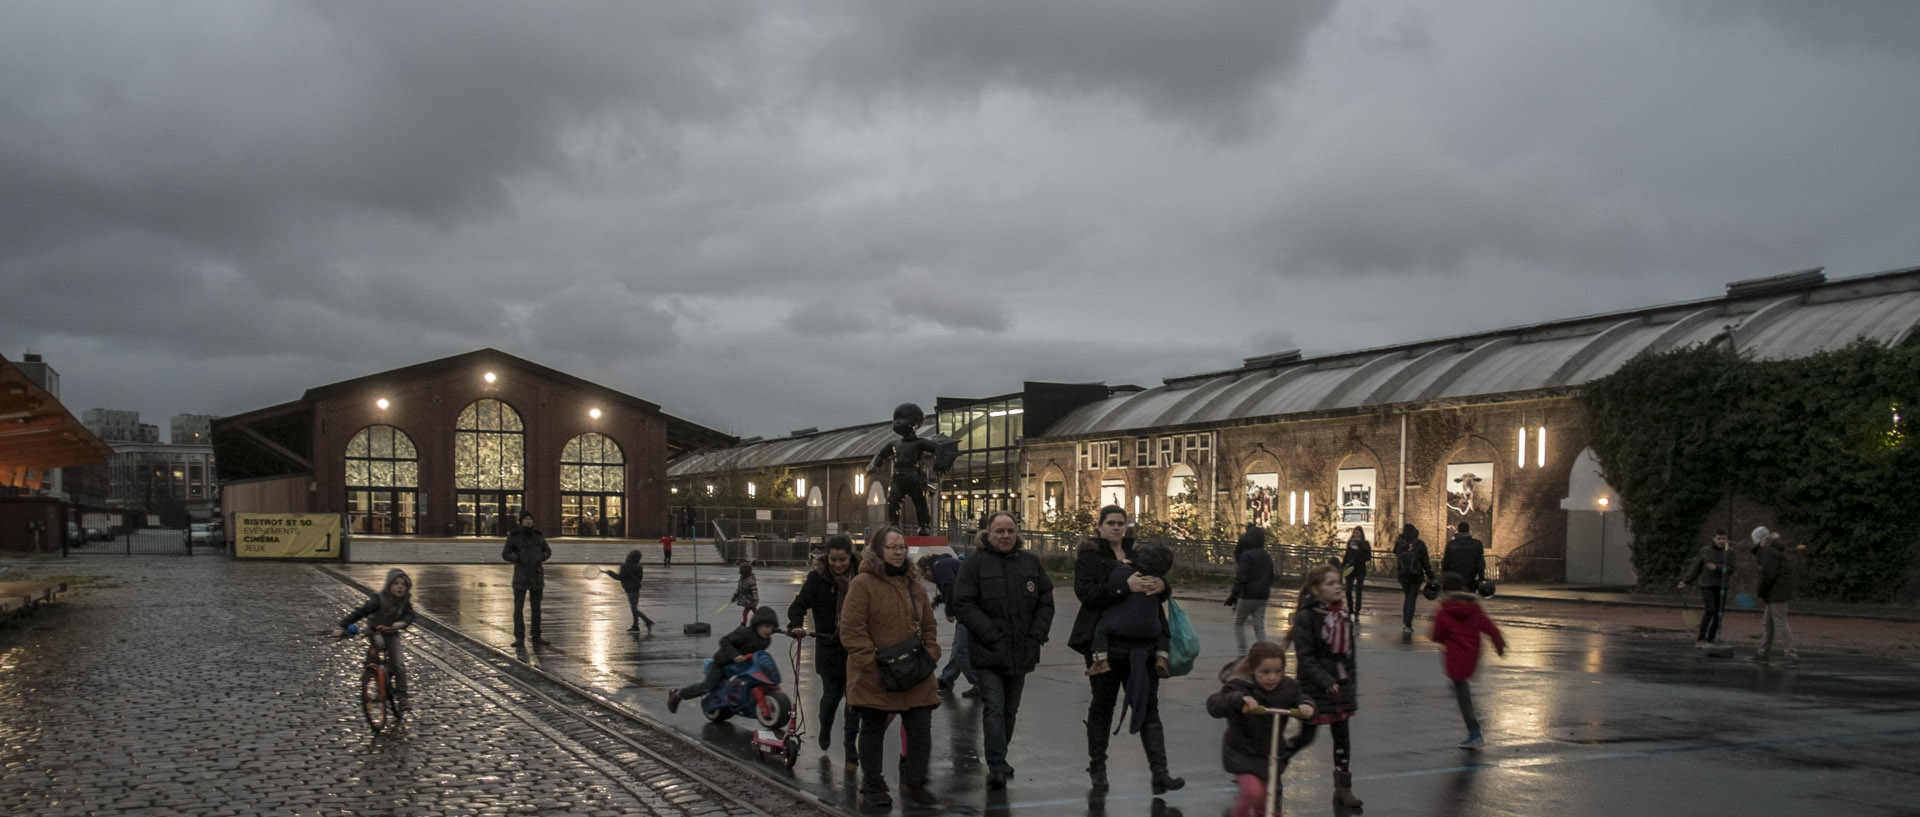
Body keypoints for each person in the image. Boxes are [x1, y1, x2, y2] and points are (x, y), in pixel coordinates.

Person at [1069, 505, 1184, 796]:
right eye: (1110, 523)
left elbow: (1160, 585)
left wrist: (1162, 586)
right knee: (1103, 705)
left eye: (1121, 523)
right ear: (1099, 527)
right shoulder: (1090, 556)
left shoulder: (1140, 552)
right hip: (1105, 643)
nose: (1117, 528)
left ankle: (1160, 773)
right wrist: (1124, 586)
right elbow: (1086, 594)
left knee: (1148, 707)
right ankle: (1098, 768)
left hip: (1144, 644)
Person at [950, 511, 1055, 790]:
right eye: (999, 531)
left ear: (1017, 533)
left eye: (1010, 531)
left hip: (1022, 650)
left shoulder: (1030, 563)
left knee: (1010, 710)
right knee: (994, 707)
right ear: (988, 533)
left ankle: (1000, 757)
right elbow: (962, 604)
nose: (1005, 536)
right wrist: (990, 633)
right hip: (988, 652)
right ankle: (996, 765)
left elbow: (1045, 600)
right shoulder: (974, 565)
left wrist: (1037, 634)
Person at [839, 526, 942, 809]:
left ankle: (915, 782)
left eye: (902, 547)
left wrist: (932, 653)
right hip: (876, 674)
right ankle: (872, 784)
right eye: (892, 547)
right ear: (878, 551)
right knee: (872, 729)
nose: (898, 552)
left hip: (916, 672)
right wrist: (870, 664)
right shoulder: (862, 584)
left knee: (920, 728)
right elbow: (851, 630)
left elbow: (929, 625)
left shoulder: (915, 586)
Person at [1206, 641, 1316, 817]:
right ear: (1253, 669)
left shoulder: (1288, 687)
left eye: (1277, 672)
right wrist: (1239, 700)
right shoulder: (1240, 685)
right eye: (1265, 672)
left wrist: (1306, 706)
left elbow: (1302, 698)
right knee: (1253, 793)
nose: (1272, 677)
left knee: (1269, 805)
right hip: (1241, 752)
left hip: (1270, 755)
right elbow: (1214, 704)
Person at [1287, 564, 1362, 809]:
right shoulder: (1306, 617)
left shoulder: (1341, 616)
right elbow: (1305, 657)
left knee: (1342, 738)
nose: (1338, 586)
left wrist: (1349, 683)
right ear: (1316, 590)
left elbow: (1349, 655)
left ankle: (1343, 788)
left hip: (1340, 688)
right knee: (1306, 737)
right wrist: (1324, 680)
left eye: (1338, 582)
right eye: (1331, 583)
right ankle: (1274, 761)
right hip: (1316, 689)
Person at [785, 536, 863, 759]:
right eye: (833, 559)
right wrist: (796, 625)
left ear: (851, 557)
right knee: (831, 697)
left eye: (843, 560)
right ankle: (825, 727)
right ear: (827, 557)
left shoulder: (861, 578)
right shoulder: (817, 579)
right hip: (829, 647)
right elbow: (798, 605)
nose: (838, 564)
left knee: (854, 699)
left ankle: (850, 742)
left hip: (856, 648)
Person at [1430, 573, 1506, 748]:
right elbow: (1491, 628)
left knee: (1461, 693)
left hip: (1455, 656)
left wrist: (1444, 639)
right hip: (1472, 654)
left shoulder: (1443, 611)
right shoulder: (1474, 608)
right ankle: (1475, 723)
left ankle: (1475, 730)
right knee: (1460, 687)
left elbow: (1437, 635)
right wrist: (1499, 646)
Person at [1085, 543, 1175, 679]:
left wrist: (1118, 564)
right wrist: (1163, 585)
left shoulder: (1121, 573)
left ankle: (1100, 660)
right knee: (1163, 630)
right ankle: (1162, 657)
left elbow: (1106, 580)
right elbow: (1163, 595)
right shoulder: (1156, 581)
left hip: (1118, 628)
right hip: (1150, 630)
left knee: (1100, 627)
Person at [667, 605, 780, 711]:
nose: (769, 630)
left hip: (742, 666)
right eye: (766, 626)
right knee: (707, 687)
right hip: (723, 663)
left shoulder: (766, 640)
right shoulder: (744, 633)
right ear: (757, 624)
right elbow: (724, 641)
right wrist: (734, 655)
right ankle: (677, 694)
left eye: (771, 627)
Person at [333, 568, 417, 707]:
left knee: (399, 665)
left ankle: (402, 697)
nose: (400, 587)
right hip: (375, 631)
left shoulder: (405, 602)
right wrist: (342, 626)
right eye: (396, 583)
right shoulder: (378, 599)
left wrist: (402, 622)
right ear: (389, 585)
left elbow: (410, 615)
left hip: (392, 633)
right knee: (378, 643)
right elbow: (360, 612)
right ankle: (371, 664)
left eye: (403, 584)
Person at [923, 549, 979, 697]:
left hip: (968, 610)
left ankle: (979, 684)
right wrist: (937, 600)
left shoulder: (939, 567)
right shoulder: (945, 563)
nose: (927, 579)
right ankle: (946, 679)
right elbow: (952, 586)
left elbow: (951, 588)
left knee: (961, 651)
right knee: (957, 647)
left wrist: (949, 612)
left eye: (925, 575)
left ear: (928, 568)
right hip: (970, 608)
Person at [1748, 527, 1800, 667]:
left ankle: (1791, 656)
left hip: (1776, 592)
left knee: (1780, 623)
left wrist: (1761, 593)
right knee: (1768, 623)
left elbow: (1768, 575)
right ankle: (1762, 653)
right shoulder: (1773, 550)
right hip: (1777, 591)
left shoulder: (1767, 552)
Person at [502, 511, 552, 647]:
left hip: (536, 575)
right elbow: (505, 554)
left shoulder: (538, 536)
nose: (529, 521)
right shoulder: (515, 536)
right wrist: (517, 558)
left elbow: (547, 551)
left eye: (531, 519)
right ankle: (519, 637)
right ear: (521, 521)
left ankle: (536, 636)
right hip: (521, 576)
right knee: (518, 608)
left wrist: (541, 557)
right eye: (526, 519)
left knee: (536, 609)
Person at [1677, 529, 1734, 646]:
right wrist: (1685, 581)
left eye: (1724, 539)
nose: (1721, 541)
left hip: (1722, 586)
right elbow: (1696, 568)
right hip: (1707, 585)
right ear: (1714, 538)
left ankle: (1711, 638)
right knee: (1710, 610)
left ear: (1727, 539)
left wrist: (1717, 568)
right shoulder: (1705, 551)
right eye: (1719, 538)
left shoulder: (1730, 552)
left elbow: (1731, 569)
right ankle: (1701, 638)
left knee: (1719, 613)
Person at [1225, 524, 1275, 652]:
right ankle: (1264, 652)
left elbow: (1241, 577)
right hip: (1263, 595)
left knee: (1238, 622)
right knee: (1259, 625)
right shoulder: (1266, 556)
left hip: (1248, 595)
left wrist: (1233, 596)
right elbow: (1271, 577)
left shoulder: (1246, 556)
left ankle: (1242, 652)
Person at [1393, 524, 1436, 635]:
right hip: (1416, 576)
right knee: (1411, 599)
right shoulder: (1420, 544)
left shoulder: (1399, 543)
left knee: (1407, 598)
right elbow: (1425, 562)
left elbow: (1395, 552)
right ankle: (1408, 624)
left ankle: (1405, 622)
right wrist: (1431, 576)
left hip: (1403, 576)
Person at [602, 549, 655, 634]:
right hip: (636, 588)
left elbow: (619, 577)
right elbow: (640, 578)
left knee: (634, 608)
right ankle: (635, 626)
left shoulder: (625, 566)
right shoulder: (639, 567)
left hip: (629, 589)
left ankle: (647, 621)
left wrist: (610, 573)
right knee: (634, 607)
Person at [1440, 521, 1486, 589]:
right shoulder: (1476, 544)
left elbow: (1445, 562)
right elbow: (1480, 563)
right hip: (1470, 579)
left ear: (1458, 530)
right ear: (1468, 530)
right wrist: (1481, 578)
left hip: (1453, 580)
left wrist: (1445, 576)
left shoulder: (1451, 544)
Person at [1340, 527, 1372, 616]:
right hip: (1350, 569)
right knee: (1348, 590)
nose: (1356, 534)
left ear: (1361, 534)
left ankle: (1357, 610)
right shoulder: (1350, 543)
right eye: (1355, 533)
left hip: (1360, 569)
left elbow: (1368, 557)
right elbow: (1346, 556)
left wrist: (1358, 560)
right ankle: (1350, 608)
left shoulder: (1365, 544)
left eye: (1358, 533)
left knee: (1358, 590)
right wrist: (1342, 566)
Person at [730, 560, 759, 626]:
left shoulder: (751, 581)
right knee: (754, 611)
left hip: (750, 600)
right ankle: (760, 619)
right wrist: (734, 596)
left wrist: (755, 600)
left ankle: (744, 624)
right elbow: (738, 590)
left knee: (745, 613)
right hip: (746, 600)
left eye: (742, 573)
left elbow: (754, 591)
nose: (741, 574)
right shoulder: (741, 580)